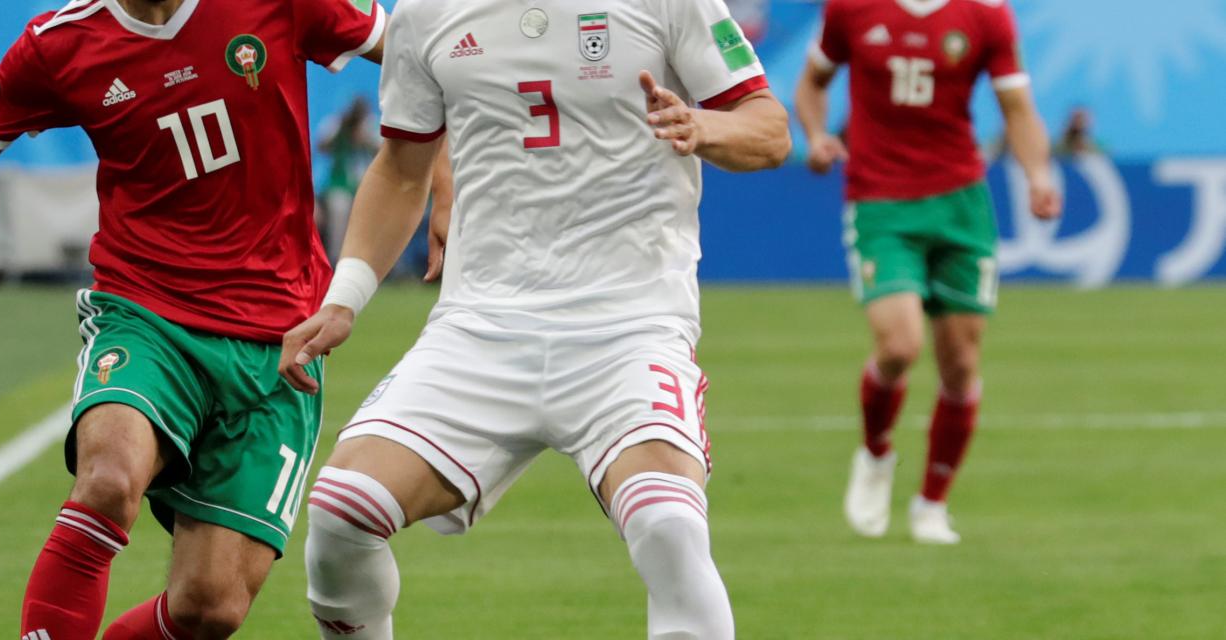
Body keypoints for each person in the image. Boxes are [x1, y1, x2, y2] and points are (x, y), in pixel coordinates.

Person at [0, 0, 388, 638]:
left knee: (210, 606)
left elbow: (415, 52)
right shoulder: (58, 44)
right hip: (148, 314)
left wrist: (446, 163)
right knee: (109, 478)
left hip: (278, 336)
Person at [279, 0, 790, 637]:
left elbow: (769, 130)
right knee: (340, 510)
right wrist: (345, 297)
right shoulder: (425, 13)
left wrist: (702, 127)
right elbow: (403, 168)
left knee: (670, 527)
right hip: (480, 329)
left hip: (628, 329)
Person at [794, 0, 1063, 544]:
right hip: (881, 202)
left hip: (961, 204)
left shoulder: (986, 15)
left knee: (961, 364)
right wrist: (817, 134)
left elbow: (1017, 107)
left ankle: (931, 505)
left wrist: (1038, 173)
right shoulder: (850, 9)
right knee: (899, 347)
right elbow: (810, 84)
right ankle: (875, 456)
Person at [315, 96, 378, 261]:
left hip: (364, 186)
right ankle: (336, 258)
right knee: (339, 208)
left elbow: (383, 151)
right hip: (339, 185)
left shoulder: (369, 128)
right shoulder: (337, 125)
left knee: (376, 211)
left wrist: (365, 137)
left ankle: (371, 259)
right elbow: (321, 146)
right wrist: (340, 129)